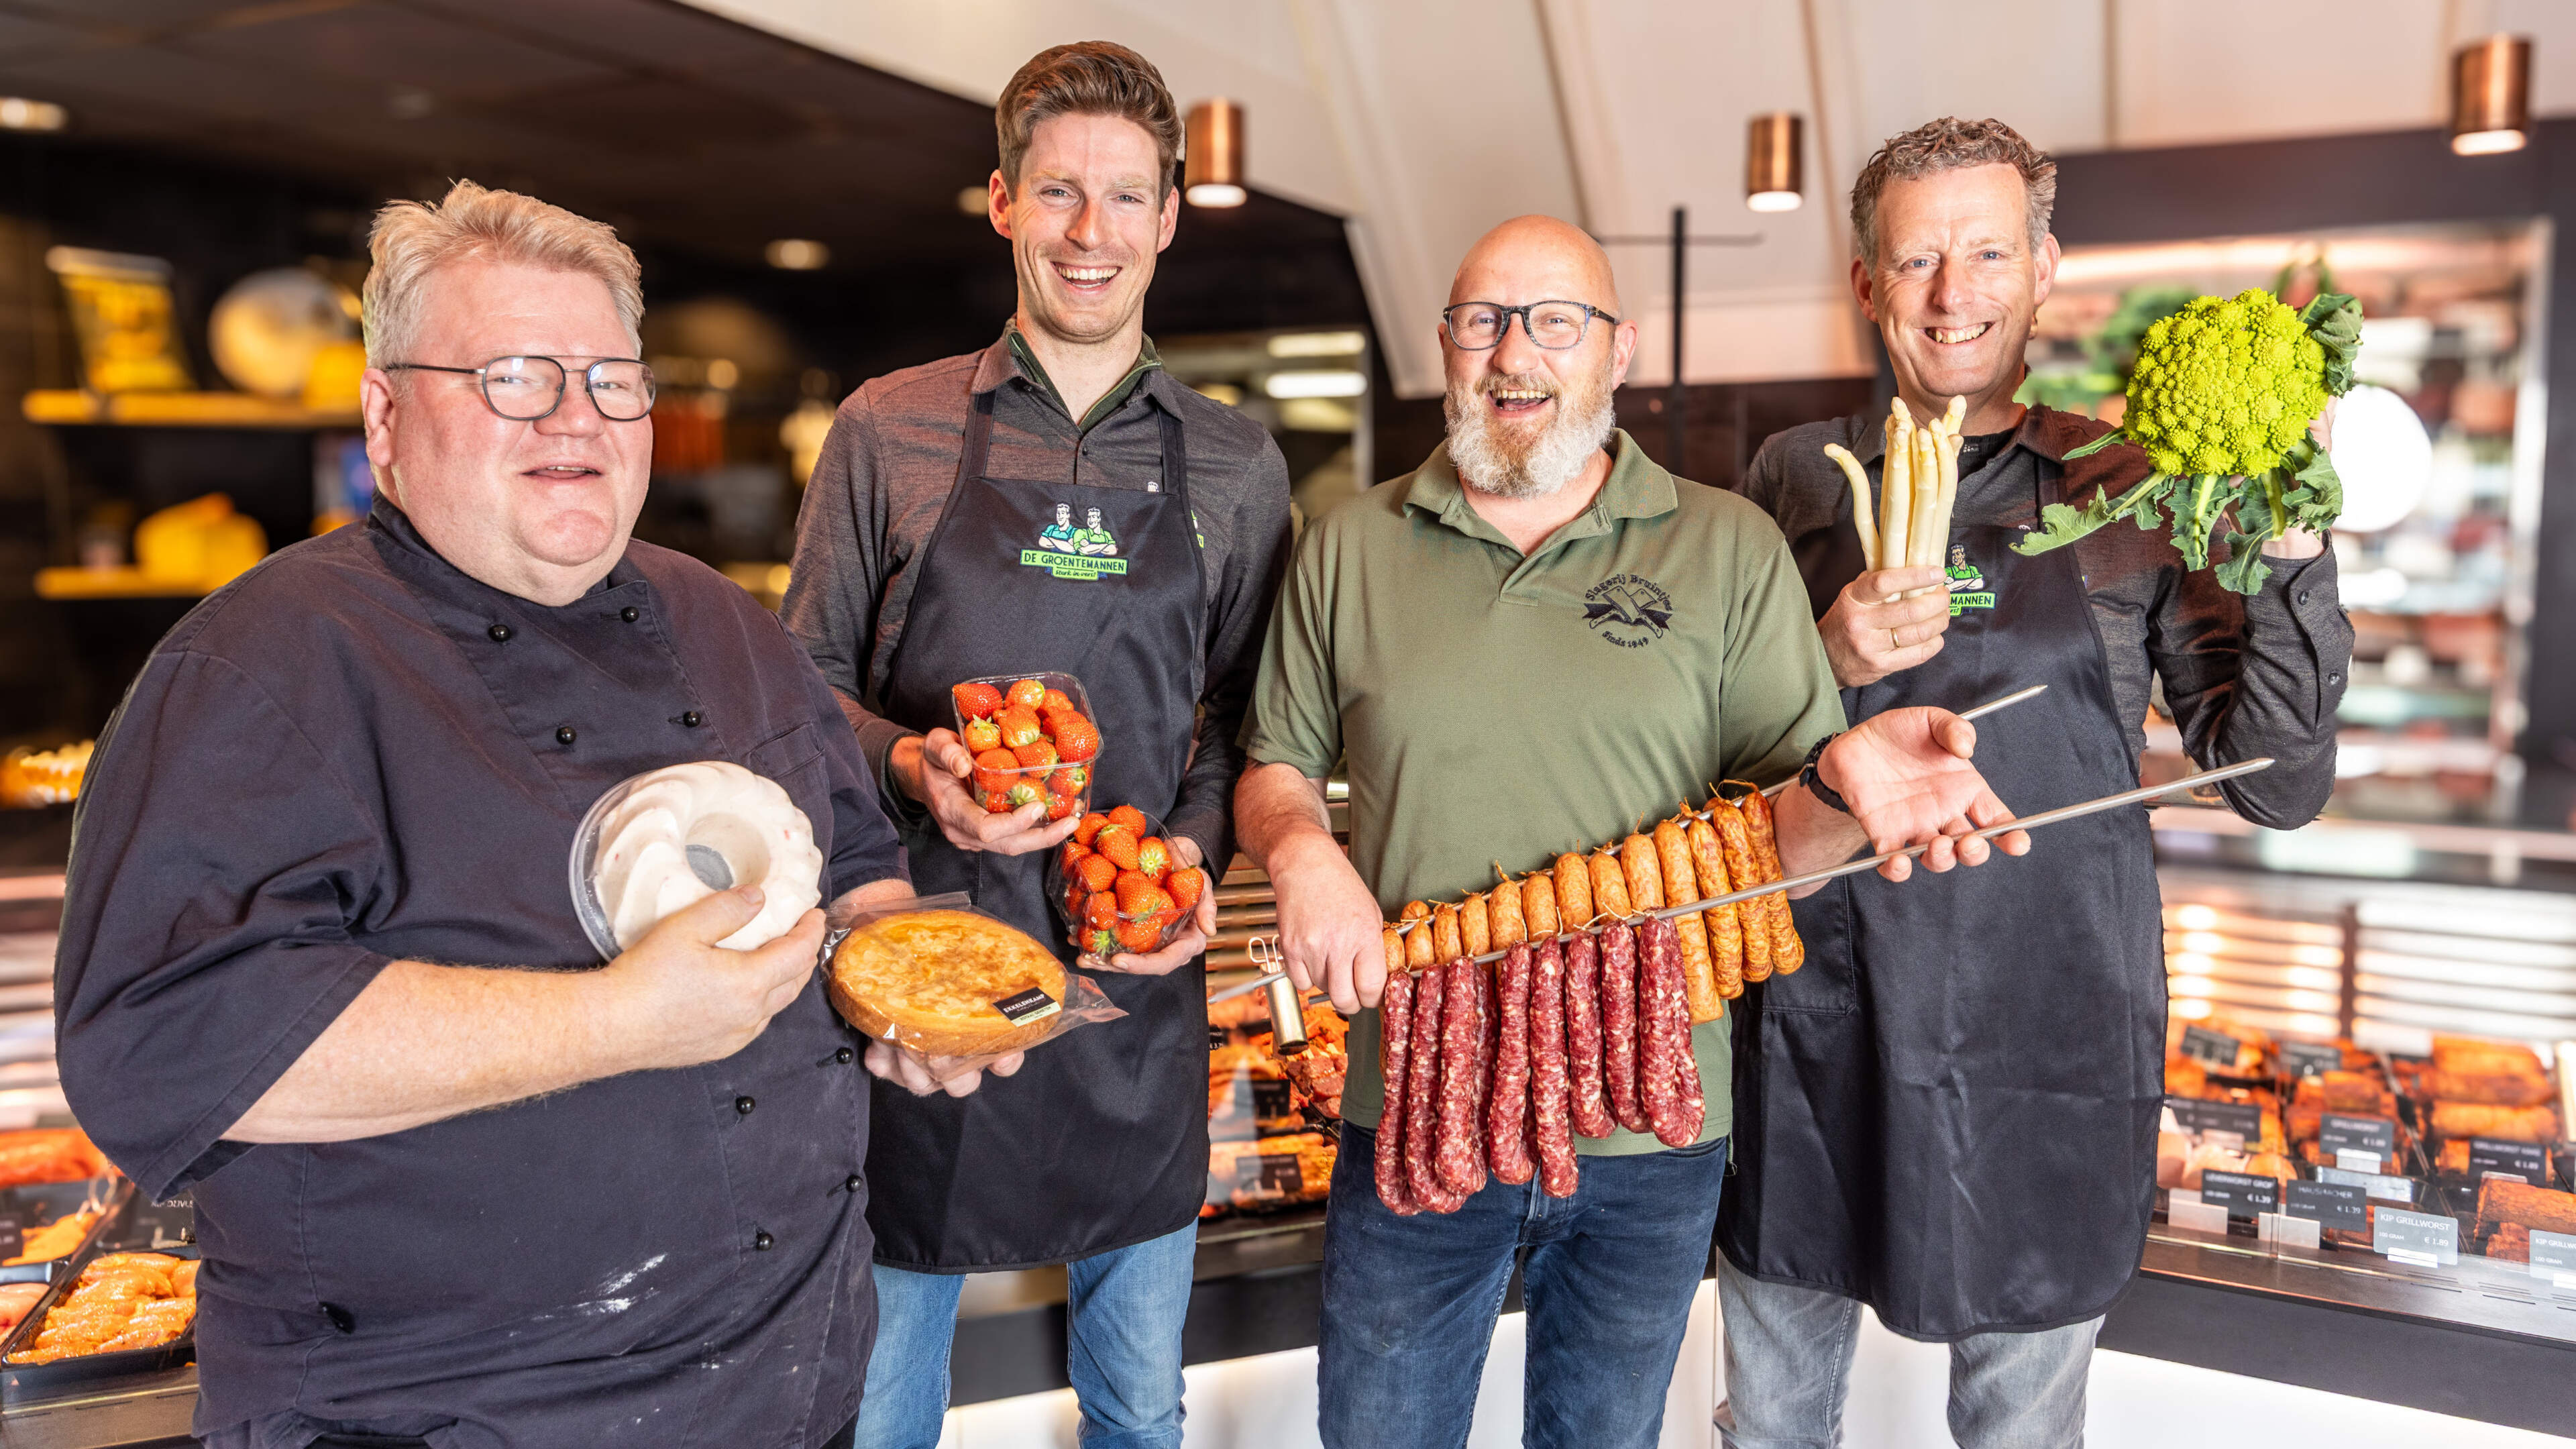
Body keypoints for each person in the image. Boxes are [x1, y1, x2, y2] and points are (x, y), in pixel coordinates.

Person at [52, 181, 928, 1449]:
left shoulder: (726, 624)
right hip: (440, 1419)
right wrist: (614, 1020)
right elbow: (163, 1043)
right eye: (513, 375)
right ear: (386, 416)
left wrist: (901, 986)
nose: (576, 416)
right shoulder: (265, 662)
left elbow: (854, 858)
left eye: (609, 378)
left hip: (796, 1395)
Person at [1234, 215, 2027, 1449]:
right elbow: (1275, 764)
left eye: (1556, 322)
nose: (1515, 353)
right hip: (1413, 1101)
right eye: (1482, 320)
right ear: (1445, 345)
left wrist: (1854, 787)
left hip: (1649, 1126)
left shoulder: (1728, 546)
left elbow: (1776, 850)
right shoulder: (1348, 542)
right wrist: (1299, 850)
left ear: (1619, 352)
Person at [1719, 117, 2352, 1448]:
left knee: (2018, 1431)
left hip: (2047, 1032)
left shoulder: (2131, 484)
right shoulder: (1788, 481)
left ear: (2045, 264)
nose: (1954, 295)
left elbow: (2274, 782)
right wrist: (1825, 652)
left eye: (1989, 252)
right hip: (1817, 1027)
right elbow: (1711, 756)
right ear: (1864, 281)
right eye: (1918, 259)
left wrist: (2291, 542)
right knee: (1774, 1428)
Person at [781, 41, 1293, 1449]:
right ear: (1002, 202)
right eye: (1059, 194)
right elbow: (800, 685)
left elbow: (1245, 719)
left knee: (1139, 1410)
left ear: (1169, 217)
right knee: (884, 1413)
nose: (1091, 234)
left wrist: (1183, 860)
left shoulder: (1235, 463)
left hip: (1133, 990)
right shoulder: (893, 428)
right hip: (919, 976)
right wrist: (911, 766)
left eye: (1125, 199)